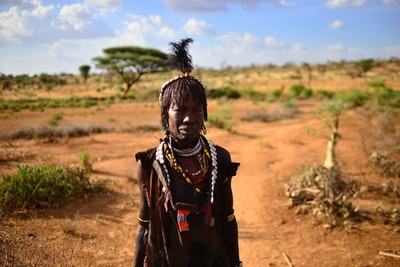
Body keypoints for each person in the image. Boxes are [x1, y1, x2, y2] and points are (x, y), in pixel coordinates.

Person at [133, 38, 242, 267]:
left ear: (204, 113)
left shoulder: (219, 159)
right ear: (166, 115)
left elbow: (228, 220)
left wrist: (236, 263)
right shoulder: (150, 163)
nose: (188, 118)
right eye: (180, 110)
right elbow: (144, 226)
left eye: (196, 110)